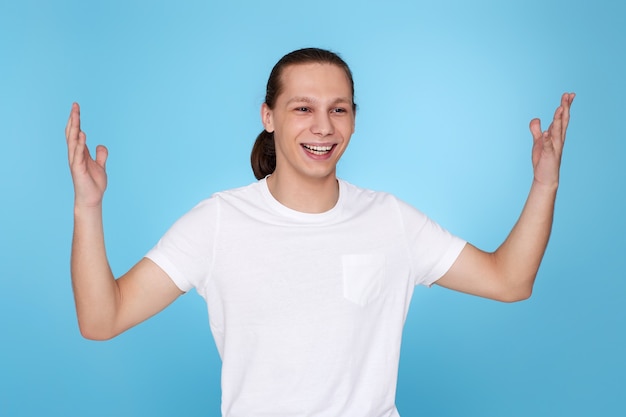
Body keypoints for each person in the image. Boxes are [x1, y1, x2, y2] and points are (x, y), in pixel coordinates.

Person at [65, 47, 575, 417]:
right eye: (302, 108)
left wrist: (545, 183)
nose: (323, 127)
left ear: (354, 119)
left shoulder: (389, 220)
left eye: (338, 109)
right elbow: (101, 319)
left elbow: (509, 280)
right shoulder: (217, 222)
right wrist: (88, 208)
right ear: (269, 117)